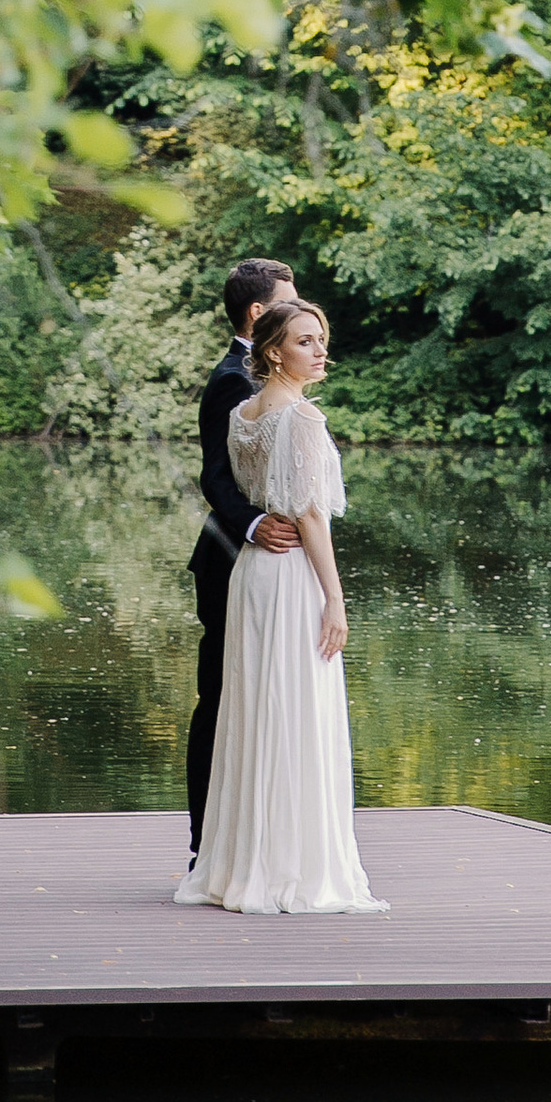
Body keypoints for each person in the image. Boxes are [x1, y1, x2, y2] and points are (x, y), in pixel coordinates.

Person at [174, 298, 384, 916]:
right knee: (295, 712)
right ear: (272, 351)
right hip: (292, 577)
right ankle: (292, 869)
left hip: (252, 576)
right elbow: (311, 516)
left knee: (255, 711)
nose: (320, 351)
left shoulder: (245, 413)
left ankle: (242, 864)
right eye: (304, 342)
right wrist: (336, 601)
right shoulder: (301, 419)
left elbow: (240, 487)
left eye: (320, 339)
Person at [185, 257, 304, 858]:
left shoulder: (275, 372)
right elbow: (215, 474)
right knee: (223, 698)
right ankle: (207, 844)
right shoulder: (234, 377)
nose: (300, 306)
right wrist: (256, 525)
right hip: (232, 558)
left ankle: (256, 837)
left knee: (269, 697)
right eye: (290, 298)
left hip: (278, 564)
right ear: (259, 313)